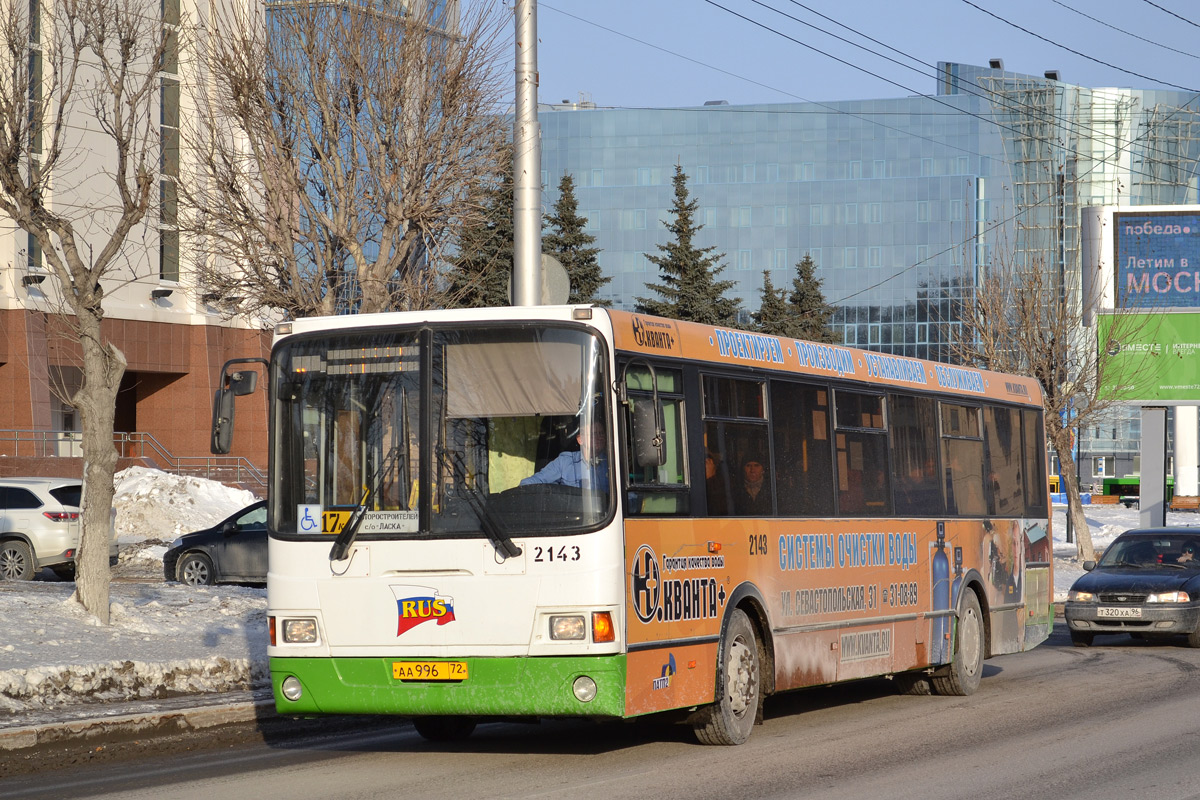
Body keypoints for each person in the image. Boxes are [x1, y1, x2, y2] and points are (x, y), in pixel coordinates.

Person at [520, 423, 608, 492]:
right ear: (580, 439)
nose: (599, 437)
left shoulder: (612, 462)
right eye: (593, 434)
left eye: (601, 433)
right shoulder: (565, 462)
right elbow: (530, 483)